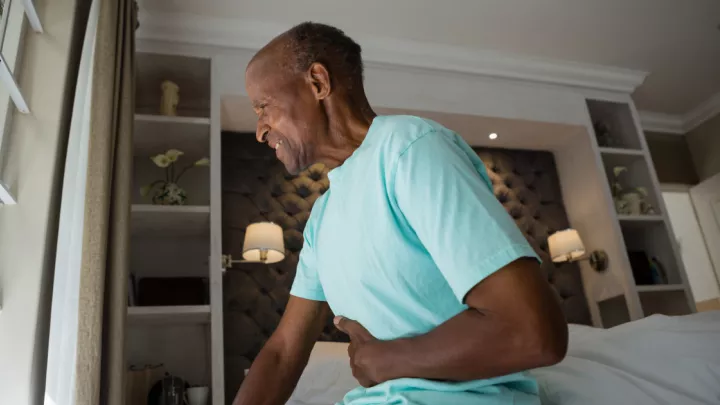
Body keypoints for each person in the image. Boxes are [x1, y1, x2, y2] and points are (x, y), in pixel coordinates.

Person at [235, 22, 568, 405]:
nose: (260, 131)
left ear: (318, 83)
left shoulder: (410, 149)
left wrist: (386, 359)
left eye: (263, 107)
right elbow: (281, 352)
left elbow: (531, 331)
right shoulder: (322, 217)